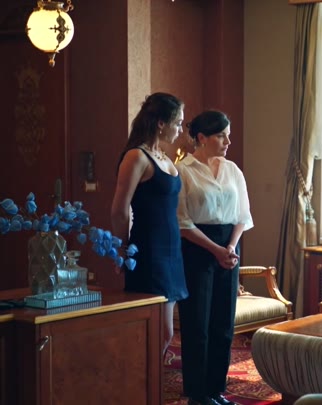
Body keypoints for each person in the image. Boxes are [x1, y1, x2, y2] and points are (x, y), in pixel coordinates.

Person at [176, 110, 253, 405]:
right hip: (197, 248)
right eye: (222, 136)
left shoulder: (233, 171)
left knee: (223, 325)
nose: (228, 142)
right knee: (197, 325)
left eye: (228, 135)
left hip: (229, 248)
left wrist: (230, 247)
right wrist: (216, 250)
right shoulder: (184, 171)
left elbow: (243, 215)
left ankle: (216, 391)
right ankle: (198, 395)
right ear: (202, 138)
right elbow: (183, 222)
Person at [110, 92, 189, 357]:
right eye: (178, 123)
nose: (180, 130)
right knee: (159, 331)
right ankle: (141, 379)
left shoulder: (164, 157)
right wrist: (121, 250)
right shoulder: (136, 156)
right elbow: (120, 210)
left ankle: (150, 379)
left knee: (165, 332)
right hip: (149, 251)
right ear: (161, 124)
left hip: (172, 250)